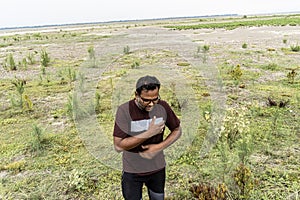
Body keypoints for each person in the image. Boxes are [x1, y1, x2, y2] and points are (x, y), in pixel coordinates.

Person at [113, 75, 182, 200]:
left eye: (155, 99)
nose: (151, 104)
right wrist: (148, 133)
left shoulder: (163, 107)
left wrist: (159, 147)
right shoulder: (124, 110)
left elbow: (177, 130)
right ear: (136, 95)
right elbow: (118, 145)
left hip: (157, 169)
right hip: (132, 171)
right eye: (146, 100)